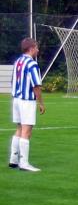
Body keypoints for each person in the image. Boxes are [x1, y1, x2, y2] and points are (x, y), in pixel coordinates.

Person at [9, 38, 45, 172]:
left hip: (16, 99)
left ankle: (13, 159)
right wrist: (40, 103)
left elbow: (13, 81)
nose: (38, 50)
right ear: (31, 48)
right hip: (26, 100)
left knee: (19, 128)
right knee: (26, 130)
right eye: (36, 47)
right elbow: (36, 85)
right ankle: (24, 163)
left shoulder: (18, 61)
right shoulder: (32, 64)